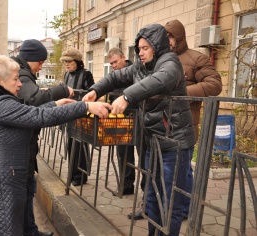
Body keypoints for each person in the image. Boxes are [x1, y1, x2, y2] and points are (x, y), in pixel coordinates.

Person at [0, 53, 111, 236]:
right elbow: (38, 117)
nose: (20, 84)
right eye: (15, 79)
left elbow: (27, 114)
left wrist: (55, 105)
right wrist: (84, 108)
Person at [83, 24, 196, 236]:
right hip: (151, 140)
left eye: (145, 48)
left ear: (157, 46)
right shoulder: (140, 66)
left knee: (170, 199)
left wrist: (127, 96)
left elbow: (162, 79)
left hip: (174, 142)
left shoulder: (170, 62)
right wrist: (95, 90)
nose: (140, 53)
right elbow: (115, 77)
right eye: (139, 48)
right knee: (152, 195)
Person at [12, 39, 74, 236]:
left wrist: (56, 104)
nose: (41, 66)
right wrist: (61, 90)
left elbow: (33, 105)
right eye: (40, 62)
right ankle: (28, 232)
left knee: (27, 191)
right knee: (25, 192)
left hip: (23, 146)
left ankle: (31, 230)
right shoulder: (22, 74)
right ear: (31, 59)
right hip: (20, 148)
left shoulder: (22, 72)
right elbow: (33, 100)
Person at [164, 19, 222, 220]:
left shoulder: (196, 58)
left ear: (179, 37)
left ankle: (185, 210)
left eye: (171, 36)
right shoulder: (160, 59)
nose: (168, 40)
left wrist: (182, 93)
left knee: (183, 169)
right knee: (163, 167)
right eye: (165, 36)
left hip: (185, 123)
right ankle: (161, 205)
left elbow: (214, 84)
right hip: (161, 122)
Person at [60, 48, 95, 186]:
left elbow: (92, 92)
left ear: (77, 62)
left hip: (81, 114)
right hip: (68, 114)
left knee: (80, 145)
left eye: (69, 62)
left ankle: (81, 175)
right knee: (70, 145)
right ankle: (73, 173)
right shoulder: (66, 75)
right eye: (65, 62)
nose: (67, 65)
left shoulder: (86, 74)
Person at [106, 47, 136, 195]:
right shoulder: (114, 76)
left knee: (143, 155)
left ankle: (147, 190)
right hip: (120, 119)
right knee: (123, 153)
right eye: (111, 64)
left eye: (115, 62)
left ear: (124, 57)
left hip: (136, 117)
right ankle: (126, 185)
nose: (114, 66)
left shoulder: (135, 71)